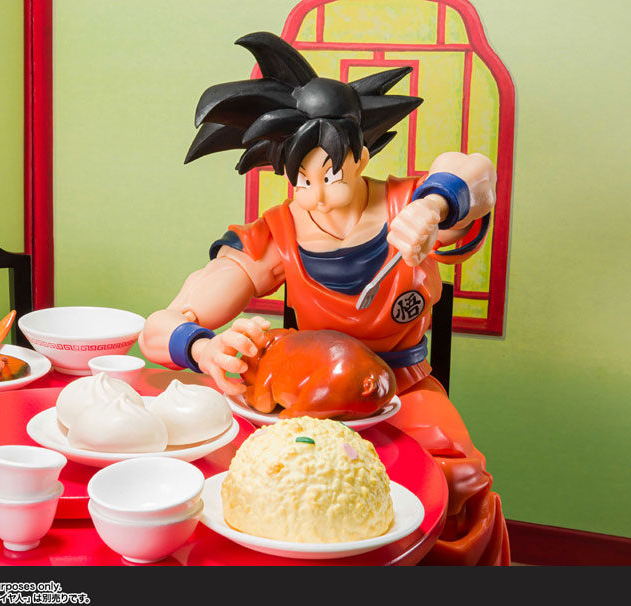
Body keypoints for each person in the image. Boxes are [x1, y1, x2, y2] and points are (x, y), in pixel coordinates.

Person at [139, 31, 510, 565]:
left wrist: (432, 209)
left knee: (459, 482)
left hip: (403, 393)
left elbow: (477, 172)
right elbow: (158, 327)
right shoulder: (277, 234)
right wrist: (204, 348)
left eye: (330, 174)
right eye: (300, 179)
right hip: (305, 402)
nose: (315, 194)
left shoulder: (410, 204)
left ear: (360, 156)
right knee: (259, 490)